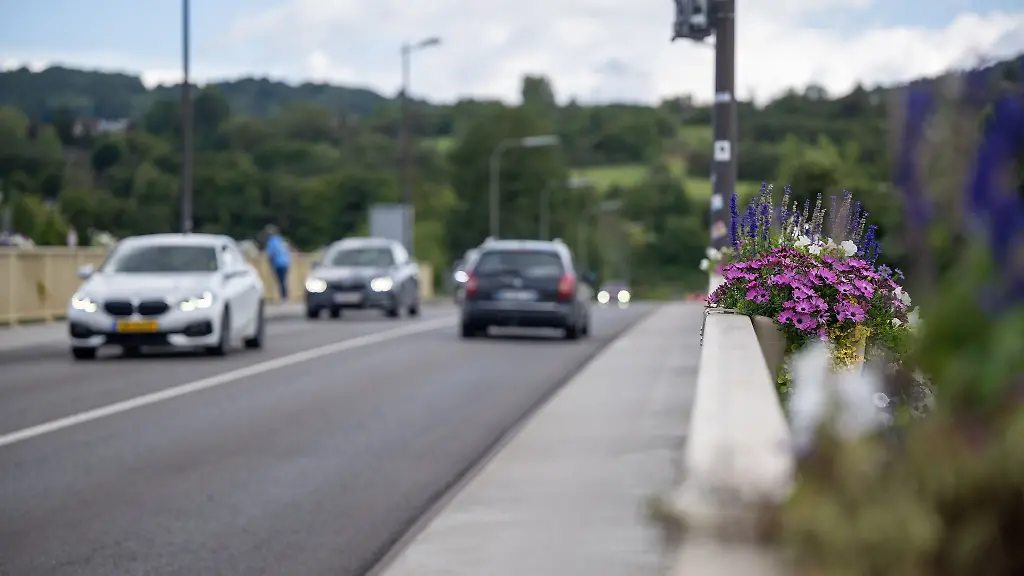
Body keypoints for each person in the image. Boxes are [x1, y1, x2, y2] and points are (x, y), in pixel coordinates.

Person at [264, 225, 291, 301]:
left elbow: (270, 254)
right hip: (285, 262)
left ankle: (283, 297)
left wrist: (270, 264)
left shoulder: (271, 241)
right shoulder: (281, 240)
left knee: (280, 280)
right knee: (283, 280)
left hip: (278, 263)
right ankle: (285, 296)